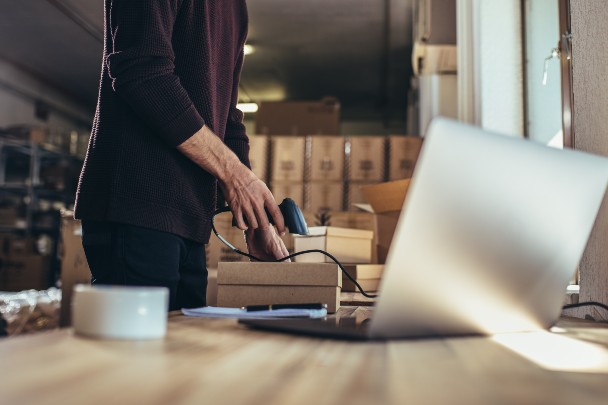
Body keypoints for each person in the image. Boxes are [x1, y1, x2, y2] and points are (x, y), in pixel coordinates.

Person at [74, 0, 289, 311]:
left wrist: (258, 221)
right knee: (134, 357)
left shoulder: (235, 8)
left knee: (184, 353)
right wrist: (233, 174)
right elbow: (142, 73)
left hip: (191, 219)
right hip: (137, 207)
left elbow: (227, 120)